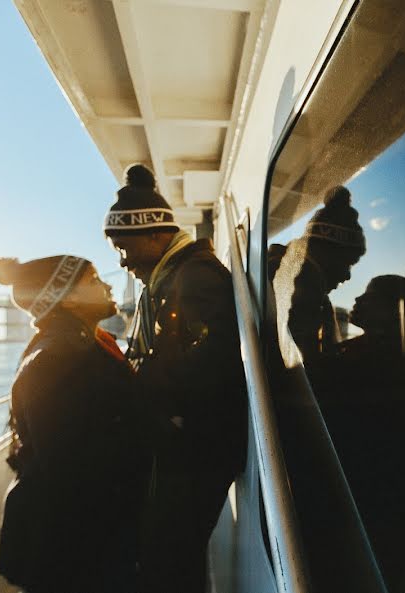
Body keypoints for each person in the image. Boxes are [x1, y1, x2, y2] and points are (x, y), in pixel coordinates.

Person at [103, 164, 247, 593]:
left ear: (154, 235)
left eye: (123, 246)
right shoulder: (173, 278)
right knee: (168, 557)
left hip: (194, 455)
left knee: (168, 560)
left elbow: (212, 367)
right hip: (185, 449)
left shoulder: (195, 278)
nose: (121, 260)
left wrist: (146, 389)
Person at [0, 255, 146, 593]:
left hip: (85, 538)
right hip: (74, 549)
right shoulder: (55, 360)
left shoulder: (83, 347)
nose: (107, 284)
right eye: (93, 279)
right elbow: (67, 466)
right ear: (68, 298)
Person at [314, 274, 405, 587]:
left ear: (394, 312)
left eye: (370, 296)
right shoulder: (372, 355)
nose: (358, 300)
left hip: (376, 513)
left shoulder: (381, 367)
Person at [270, 185, 366, 367]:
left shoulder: (281, 270)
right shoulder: (303, 285)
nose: (347, 276)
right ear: (327, 252)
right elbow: (306, 371)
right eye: (348, 263)